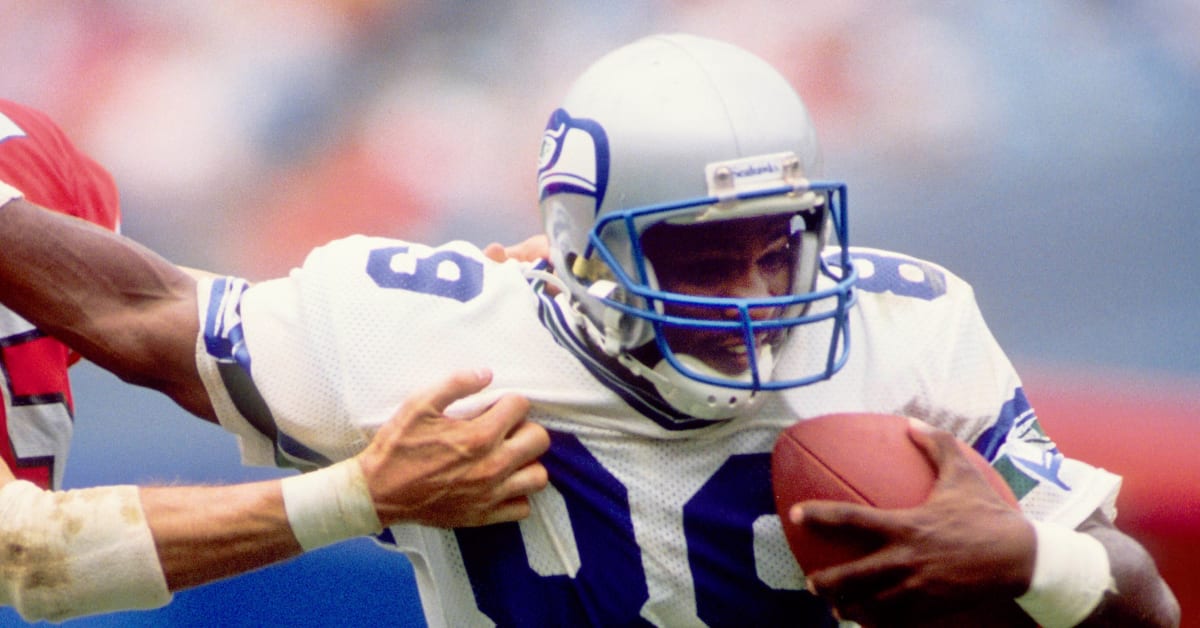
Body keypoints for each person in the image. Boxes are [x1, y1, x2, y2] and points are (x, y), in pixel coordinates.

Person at [0, 34, 1179, 627]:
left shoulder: (909, 328)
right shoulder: (430, 327)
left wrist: (1036, 559)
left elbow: (1148, 602)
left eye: (778, 240)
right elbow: (137, 309)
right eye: (701, 253)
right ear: (579, 247)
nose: (756, 290)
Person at [0, 99, 549, 623]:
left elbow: (182, 317)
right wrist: (362, 495)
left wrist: (485, 305)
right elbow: (21, 551)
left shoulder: (28, 158)